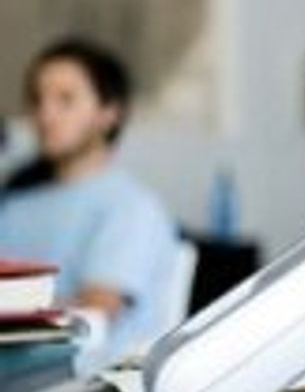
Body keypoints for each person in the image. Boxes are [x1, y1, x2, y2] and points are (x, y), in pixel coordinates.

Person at [0, 38, 176, 371]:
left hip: (82, 386)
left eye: (65, 99)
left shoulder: (130, 208)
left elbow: (94, 315)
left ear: (109, 113)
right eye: (37, 99)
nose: (45, 114)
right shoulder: (16, 204)